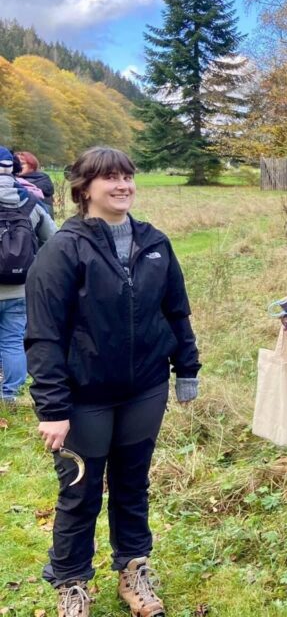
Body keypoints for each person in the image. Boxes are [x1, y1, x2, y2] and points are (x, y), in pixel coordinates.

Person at [26, 146, 201, 617]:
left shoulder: (155, 243)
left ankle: (134, 569)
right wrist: (53, 408)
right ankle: (72, 584)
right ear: (85, 189)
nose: (123, 185)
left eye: (127, 176)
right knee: (80, 492)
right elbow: (43, 336)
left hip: (145, 389)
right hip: (85, 399)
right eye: (110, 178)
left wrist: (187, 368)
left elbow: (176, 311)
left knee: (132, 483)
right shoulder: (63, 250)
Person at [0, 145, 56, 403]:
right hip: (20, 286)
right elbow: (54, 242)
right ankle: (10, 395)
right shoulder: (31, 202)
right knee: (12, 341)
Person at [16, 150, 56, 215]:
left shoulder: (25, 184)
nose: (18, 166)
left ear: (32, 165)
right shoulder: (43, 179)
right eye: (15, 164)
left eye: (22, 164)